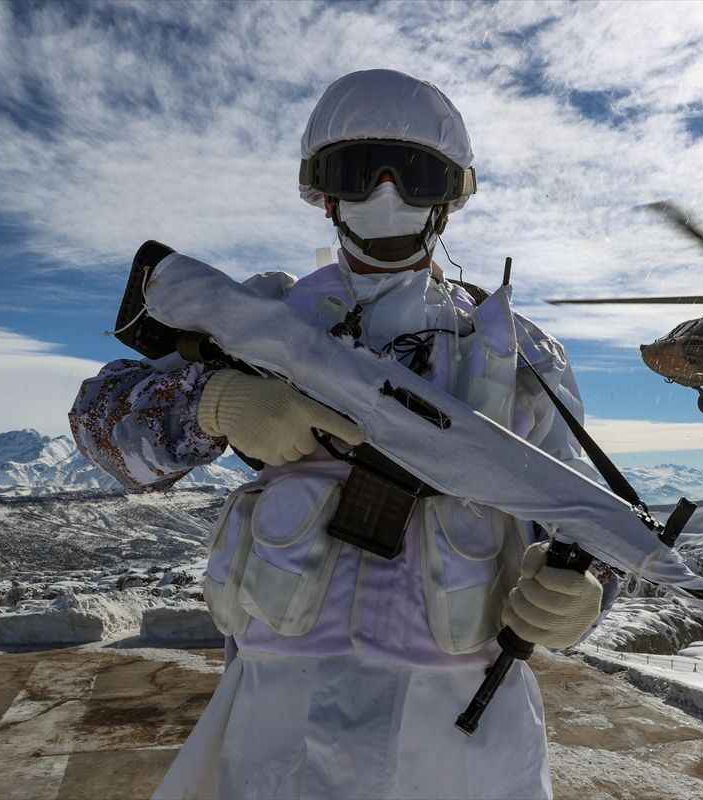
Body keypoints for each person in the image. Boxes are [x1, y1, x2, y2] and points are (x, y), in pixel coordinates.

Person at [70, 69, 615, 800]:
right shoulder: (265, 319)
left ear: (449, 200)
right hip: (276, 729)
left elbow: (592, 524)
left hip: (459, 744)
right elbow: (99, 418)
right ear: (323, 194)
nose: (385, 194)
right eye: (357, 172)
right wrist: (216, 400)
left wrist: (582, 592)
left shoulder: (516, 358)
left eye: (415, 175)